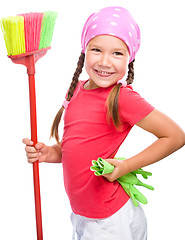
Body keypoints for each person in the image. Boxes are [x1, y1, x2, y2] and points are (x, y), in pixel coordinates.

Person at [22, 6, 185, 240]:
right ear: (84, 51)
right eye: (96, 49)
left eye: (117, 53)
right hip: (85, 215)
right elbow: (76, 147)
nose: (105, 61)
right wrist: (49, 153)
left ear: (130, 58)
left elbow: (176, 137)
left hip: (109, 220)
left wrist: (126, 165)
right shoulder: (76, 90)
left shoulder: (122, 98)